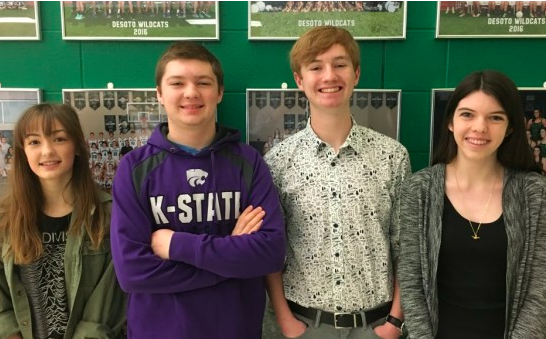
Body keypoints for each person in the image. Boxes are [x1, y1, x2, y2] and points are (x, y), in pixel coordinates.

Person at [110, 41, 286, 339]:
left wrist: (178, 246)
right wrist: (230, 258)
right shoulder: (134, 168)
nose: (191, 92)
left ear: (219, 93)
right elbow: (132, 272)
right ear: (160, 94)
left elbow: (269, 254)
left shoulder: (248, 162)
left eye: (203, 82)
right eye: (177, 83)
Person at [264, 26, 411, 339]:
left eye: (340, 64)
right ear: (300, 79)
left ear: (356, 74)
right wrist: (286, 322)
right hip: (306, 325)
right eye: (316, 67)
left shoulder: (392, 157)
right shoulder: (278, 161)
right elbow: (271, 250)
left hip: (377, 326)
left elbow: (405, 247)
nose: (329, 76)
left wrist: (395, 323)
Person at [397, 70, 546, 338]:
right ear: (451, 121)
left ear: (511, 126)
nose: (479, 127)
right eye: (467, 114)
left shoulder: (535, 193)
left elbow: (539, 288)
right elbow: (411, 282)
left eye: (495, 118)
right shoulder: (419, 189)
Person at [0, 103, 126, 339]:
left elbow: (111, 296)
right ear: (23, 150)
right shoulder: (6, 218)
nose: (47, 151)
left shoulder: (109, 214)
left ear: (77, 146)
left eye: (59, 139)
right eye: (34, 142)